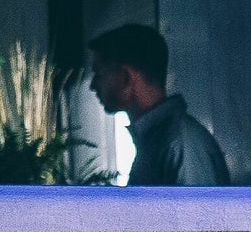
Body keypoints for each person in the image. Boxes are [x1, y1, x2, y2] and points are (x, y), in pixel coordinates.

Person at [86, 23, 230, 187]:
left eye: (99, 74)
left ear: (126, 77)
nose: (92, 85)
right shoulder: (160, 141)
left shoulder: (178, 144)